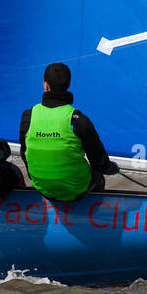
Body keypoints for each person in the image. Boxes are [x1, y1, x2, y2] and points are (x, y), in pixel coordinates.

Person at [20, 62, 119, 204]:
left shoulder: (27, 116)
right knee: (98, 175)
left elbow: (25, 154)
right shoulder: (78, 119)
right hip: (76, 189)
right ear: (69, 84)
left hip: (42, 187)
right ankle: (93, 212)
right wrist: (112, 168)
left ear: (45, 85)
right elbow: (99, 163)